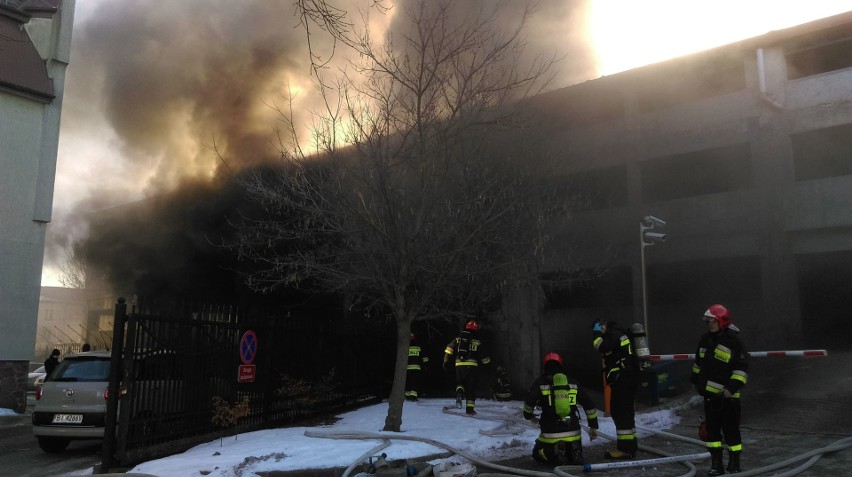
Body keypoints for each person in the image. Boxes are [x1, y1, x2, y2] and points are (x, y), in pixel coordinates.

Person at [691, 304, 749, 475]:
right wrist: (695, 380)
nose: (709, 324)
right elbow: (698, 363)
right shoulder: (705, 339)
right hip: (710, 397)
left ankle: (734, 464)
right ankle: (716, 464)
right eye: (708, 321)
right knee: (712, 434)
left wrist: (731, 388)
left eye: (713, 321)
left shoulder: (734, 342)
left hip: (727, 398)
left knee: (731, 432)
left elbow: (741, 369)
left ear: (722, 321)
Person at [523, 352, 599, 466]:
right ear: (561, 365)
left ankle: (553, 453)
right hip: (573, 431)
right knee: (573, 456)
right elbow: (589, 404)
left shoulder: (540, 382)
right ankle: (575, 452)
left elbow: (529, 402)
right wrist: (593, 425)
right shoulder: (573, 382)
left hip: (550, 432)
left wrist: (528, 415)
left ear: (546, 366)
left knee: (537, 454)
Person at [592, 319, 641, 459]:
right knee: (626, 413)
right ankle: (631, 446)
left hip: (623, 380)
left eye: (600, 327)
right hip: (628, 378)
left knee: (620, 413)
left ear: (604, 327)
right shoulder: (622, 334)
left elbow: (600, 346)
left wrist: (596, 333)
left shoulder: (613, 335)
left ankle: (624, 449)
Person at [443, 319, 490, 415]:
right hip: (472, 367)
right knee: (470, 387)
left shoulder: (458, 339)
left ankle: (459, 393)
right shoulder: (476, 342)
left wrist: (446, 361)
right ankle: (469, 409)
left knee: (460, 382)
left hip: (459, 365)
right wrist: (488, 365)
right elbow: (484, 357)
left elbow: (448, 349)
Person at [405, 332, 429, 401]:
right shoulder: (418, 345)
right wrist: (426, 364)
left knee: (408, 381)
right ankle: (413, 396)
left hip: (407, 368)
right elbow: (424, 356)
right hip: (416, 367)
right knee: (414, 382)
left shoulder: (405, 346)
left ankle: (407, 395)